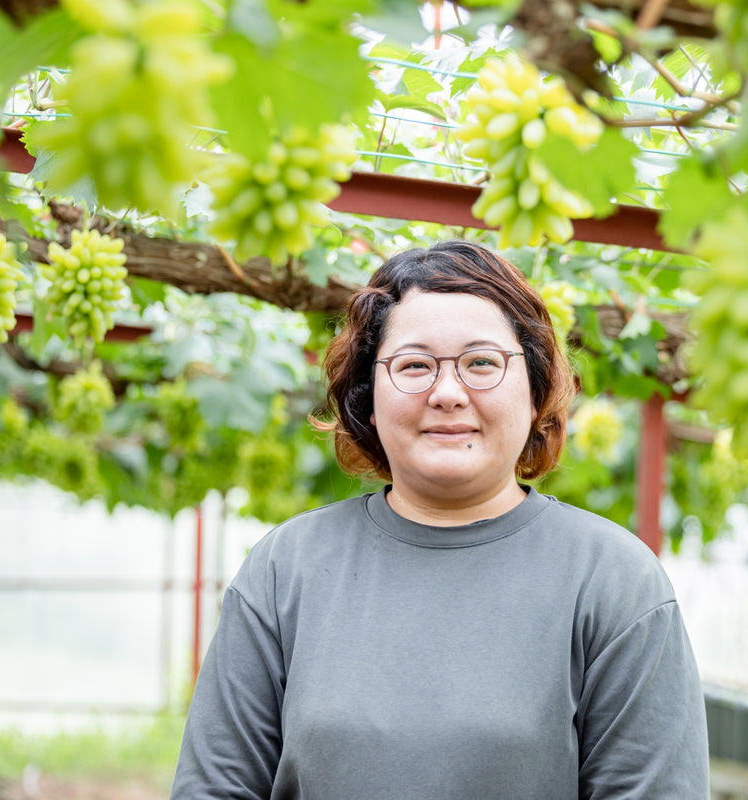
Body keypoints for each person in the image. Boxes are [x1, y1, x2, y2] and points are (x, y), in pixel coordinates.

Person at [169, 240, 710, 799]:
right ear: (368, 400)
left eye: (482, 363)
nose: (448, 393)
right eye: (414, 365)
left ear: (535, 391)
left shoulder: (614, 580)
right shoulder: (286, 568)